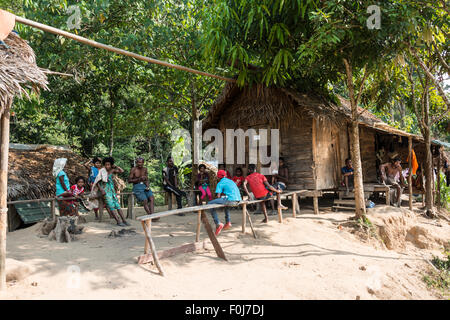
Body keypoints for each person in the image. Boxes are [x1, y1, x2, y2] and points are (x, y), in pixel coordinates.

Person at [92, 157, 129, 226]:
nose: (107, 166)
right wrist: (101, 190)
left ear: (111, 164)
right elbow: (97, 181)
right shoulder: (102, 171)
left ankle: (124, 220)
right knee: (111, 206)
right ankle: (118, 221)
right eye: (106, 164)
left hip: (112, 191)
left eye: (108, 164)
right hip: (105, 191)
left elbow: (122, 171)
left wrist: (115, 166)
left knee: (117, 206)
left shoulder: (112, 170)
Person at [208, 170, 242, 236]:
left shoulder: (220, 183)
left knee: (210, 203)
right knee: (226, 204)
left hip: (231, 200)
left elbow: (218, 196)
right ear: (225, 175)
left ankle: (218, 223)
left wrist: (218, 201)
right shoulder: (231, 181)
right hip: (238, 200)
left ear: (218, 177)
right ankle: (228, 222)